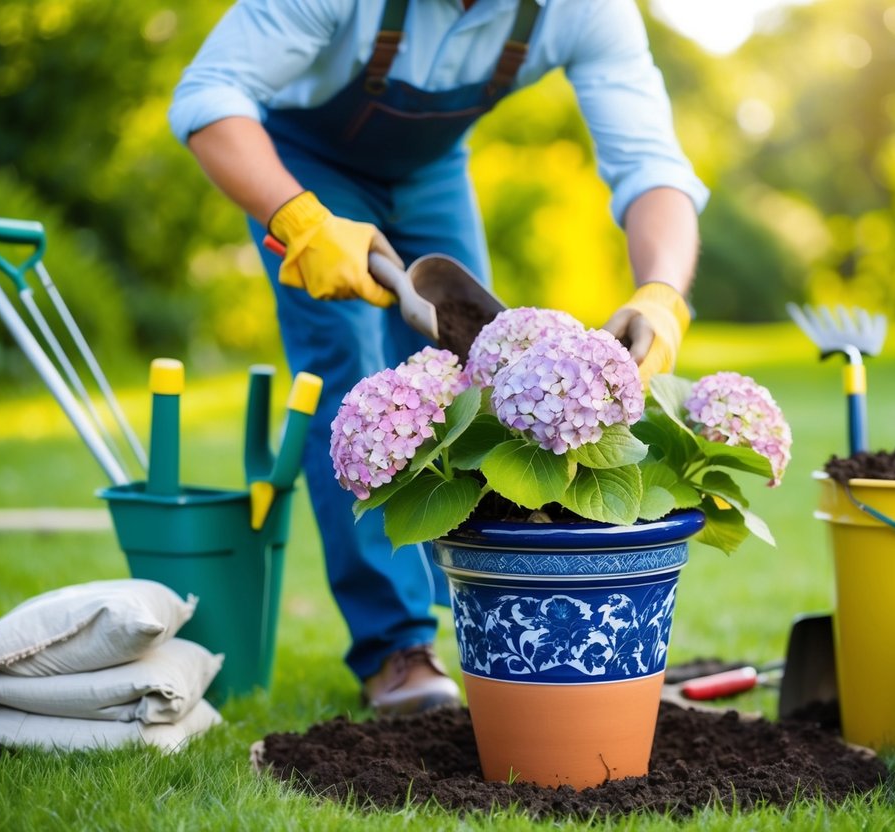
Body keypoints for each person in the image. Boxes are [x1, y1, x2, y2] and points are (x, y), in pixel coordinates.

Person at [169, 0, 708, 715]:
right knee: (349, 377)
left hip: (430, 171)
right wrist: (298, 217)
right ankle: (395, 646)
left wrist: (661, 294)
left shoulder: (585, 10)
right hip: (300, 160)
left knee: (481, 374)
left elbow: (649, 163)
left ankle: (496, 623)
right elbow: (207, 98)